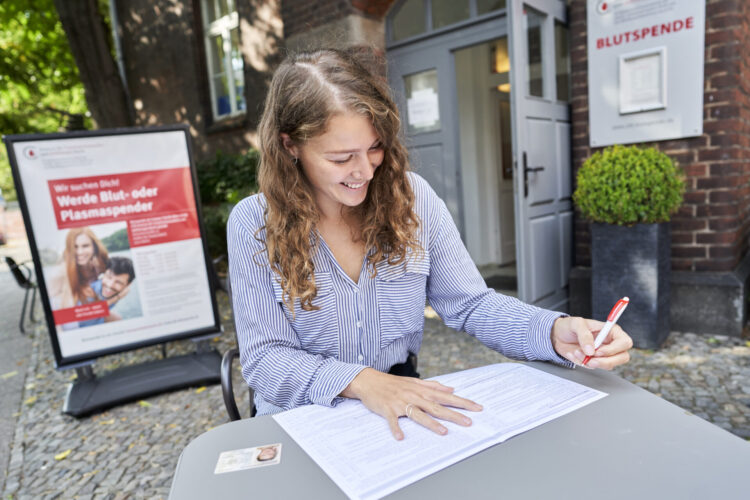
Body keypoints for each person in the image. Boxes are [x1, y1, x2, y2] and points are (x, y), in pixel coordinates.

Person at [227, 48, 633, 441]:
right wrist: (363, 382)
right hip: (302, 416)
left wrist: (554, 331)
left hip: (402, 401)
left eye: (374, 148)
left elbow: (470, 303)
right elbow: (265, 360)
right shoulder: (253, 224)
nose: (365, 171)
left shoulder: (413, 198)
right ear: (289, 146)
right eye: (340, 158)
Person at [49, 227, 110, 311]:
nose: (80, 252)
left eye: (85, 246)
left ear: (94, 247)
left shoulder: (98, 265)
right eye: (75, 247)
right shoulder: (60, 272)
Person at [78, 256, 136, 327]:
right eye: (108, 277)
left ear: (128, 284)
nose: (110, 285)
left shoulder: (120, 291)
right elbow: (81, 317)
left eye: (118, 282)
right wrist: (116, 298)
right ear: (104, 274)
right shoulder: (89, 291)